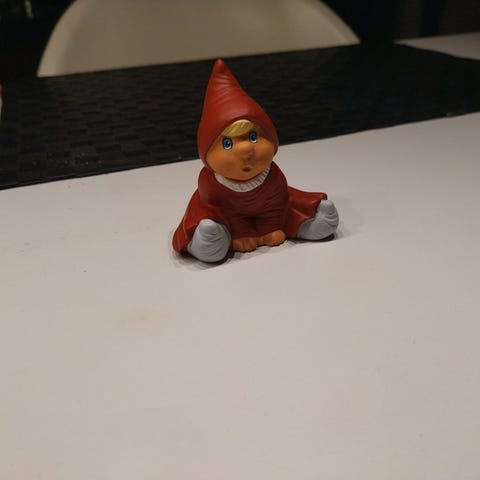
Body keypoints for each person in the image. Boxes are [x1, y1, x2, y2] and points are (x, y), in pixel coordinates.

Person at [172, 59, 338, 262]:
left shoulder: (273, 176)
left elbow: (275, 205)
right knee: (209, 223)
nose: (245, 150)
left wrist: (269, 229)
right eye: (227, 143)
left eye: (253, 137)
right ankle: (212, 238)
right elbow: (224, 210)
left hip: (273, 213)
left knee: (290, 207)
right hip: (226, 218)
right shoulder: (211, 184)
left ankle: (311, 221)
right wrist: (241, 234)